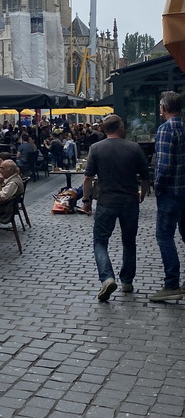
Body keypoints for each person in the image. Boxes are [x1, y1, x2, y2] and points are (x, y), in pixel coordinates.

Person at [81, 114, 150, 302]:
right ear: (120, 127)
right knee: (129, 241)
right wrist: (142, 194)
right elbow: (145, 176)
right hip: (129, 201)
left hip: (106, 201)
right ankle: (127, 281)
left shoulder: (96, 148)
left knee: (100, 241)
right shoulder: (134, 148)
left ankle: (107, 277)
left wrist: (86, 201)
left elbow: (87, 178)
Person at [149, 91, 185, 302]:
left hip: (171, 192)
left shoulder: (165, 130)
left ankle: (171, 284)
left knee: (164, 236)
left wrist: (158, 188)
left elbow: (163, 167)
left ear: (163, 107)